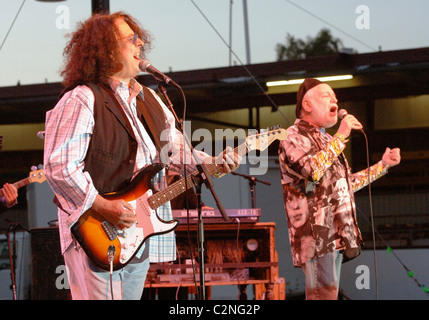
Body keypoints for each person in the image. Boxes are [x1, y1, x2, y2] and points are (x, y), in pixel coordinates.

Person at [43, 12, 241, 300]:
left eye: (139, 39)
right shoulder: (83, 98)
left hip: (140, 232)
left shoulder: (150, 99)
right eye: (131, 39)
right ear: (106, 49)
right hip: (97, 232)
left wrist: (213, 163)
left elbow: (174, 149)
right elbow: (59, 167)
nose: (140, 45)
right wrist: (101, 206)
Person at [278, 78, 401, 300]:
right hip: (316, 234)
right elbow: (312, 170)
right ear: (307, 105)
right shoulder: (292, 136)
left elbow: (345, 185)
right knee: (321, 295)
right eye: (327, 96)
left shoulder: (327, 140)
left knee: (327, 295)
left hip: (335, 233)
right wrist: (341, 135)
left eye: (335, 96)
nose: (334, 99)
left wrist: (382, 166)